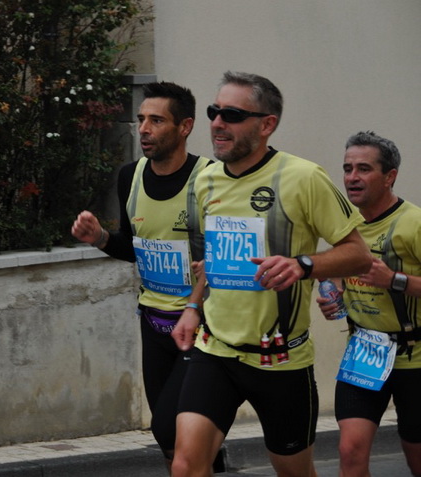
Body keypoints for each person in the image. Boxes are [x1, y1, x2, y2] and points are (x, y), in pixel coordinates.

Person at [170, 71, 372, 477]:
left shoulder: (303, 177)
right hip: (216, 350)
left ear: (266, 125)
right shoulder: (204, 180)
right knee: (185, 466)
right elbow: (212, 258)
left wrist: (303, 264)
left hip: (280, 360)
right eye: (214, 111)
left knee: (293, 472)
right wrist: (192, 307)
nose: (217, 123)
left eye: (231, 114)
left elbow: (359, 255)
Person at [70, 81, 223, 472]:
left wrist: (196, 301)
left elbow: (223, 256)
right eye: (141, 120)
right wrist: (100, 238)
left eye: (157, 120)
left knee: (168, 427)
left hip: (201, 327)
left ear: (185, 126)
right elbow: (132, 247)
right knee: (172, 441)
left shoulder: (211, 179)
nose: (143, 129)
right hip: (154, 325)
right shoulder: (130, 176)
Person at [316, 131, 421, 477]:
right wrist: (334, 293)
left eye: (363, 169)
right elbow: (340, 272)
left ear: (389, 176)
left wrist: (396, 280)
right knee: (349, 449)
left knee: (416, 454)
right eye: (347, 169)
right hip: (365, 351)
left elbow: (386, 277)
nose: (352, 178)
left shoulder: (414, 223)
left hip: (414, 355)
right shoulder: (348, 226)